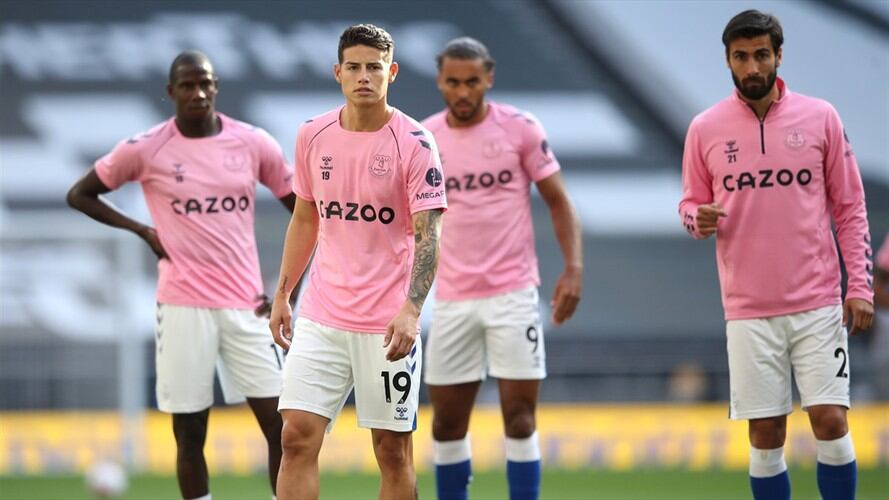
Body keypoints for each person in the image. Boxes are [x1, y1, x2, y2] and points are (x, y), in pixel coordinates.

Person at [67, 50, 294, 500]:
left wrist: (287, 289)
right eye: (188, 85)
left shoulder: (253, 143)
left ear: (216, 87)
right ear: (171, 92)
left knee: (284, 429)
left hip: (248, 305)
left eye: (206, 83)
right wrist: (142, 230)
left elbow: (304, 212)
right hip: (182, 305)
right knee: (190, 433)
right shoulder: (146, 148)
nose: (199, 93)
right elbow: (81, 194)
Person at [678, 10, 873, 500]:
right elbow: (689, 202)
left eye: (760, 54)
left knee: (830, 422)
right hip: (748, 308)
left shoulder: (821, 117)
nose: (751, 67)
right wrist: (695, 217)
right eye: (741, 56)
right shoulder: (705, 128)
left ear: (778, 56)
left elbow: (850, 207)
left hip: (817, 301)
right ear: (727, 60)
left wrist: (861, 286)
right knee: (766, 436)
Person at [268, 24, 447, 500]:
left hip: (386, 324)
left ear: (392, 72)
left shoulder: (415, 143)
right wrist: (284, 293)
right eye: (354, 67)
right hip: (322, 315)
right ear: (338, 73)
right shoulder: (312, 134)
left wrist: (411, 310)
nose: (363, 76)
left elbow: (430, 236)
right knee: (294, 437)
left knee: (392, 452)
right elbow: (306, 217)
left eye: (374, 67)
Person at [421, 37, 583, 500]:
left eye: (472, 81)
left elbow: (559, 201)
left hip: (513, 295)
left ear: (488, 77)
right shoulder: (425, 137)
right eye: (453, 82)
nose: (463, 92)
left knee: (520, 419)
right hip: (451, 298)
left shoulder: (520, 129)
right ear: (440, 81)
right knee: (448, 424)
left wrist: (573, 267)